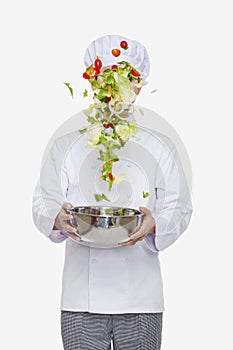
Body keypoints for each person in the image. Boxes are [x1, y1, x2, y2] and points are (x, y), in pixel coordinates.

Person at [32, 34, 193, 350]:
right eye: (107, 79)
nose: (115, 90)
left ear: (138, 86)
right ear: (93, 83)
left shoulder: (160, 144)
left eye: (125, 80)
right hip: (81, 296)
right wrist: (58, 217)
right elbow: (42, 201)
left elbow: (181, 206)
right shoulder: (67, 143)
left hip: (141, 297)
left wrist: (156, 223)